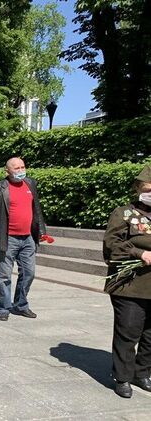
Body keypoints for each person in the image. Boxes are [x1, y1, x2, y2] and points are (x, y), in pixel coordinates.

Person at [102, 165, 151, 398]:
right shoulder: (124, 213)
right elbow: (111, 245)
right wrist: (139, 254)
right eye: (148, 189)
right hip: (130, 285)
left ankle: (141, 373)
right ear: (138, 189)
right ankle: (122, 377)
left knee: (150, 335)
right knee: (128, 331)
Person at [0, 157, 47, 321]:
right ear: (7, 171)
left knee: (29, 273)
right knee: (4, 276)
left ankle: (20, 305)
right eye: (16, 168)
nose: (20, 171)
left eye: (22, 167)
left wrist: (41, 230)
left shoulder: (30, 184)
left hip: (28, 238)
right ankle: (3, 307)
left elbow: (37, 209)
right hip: (7, 238)